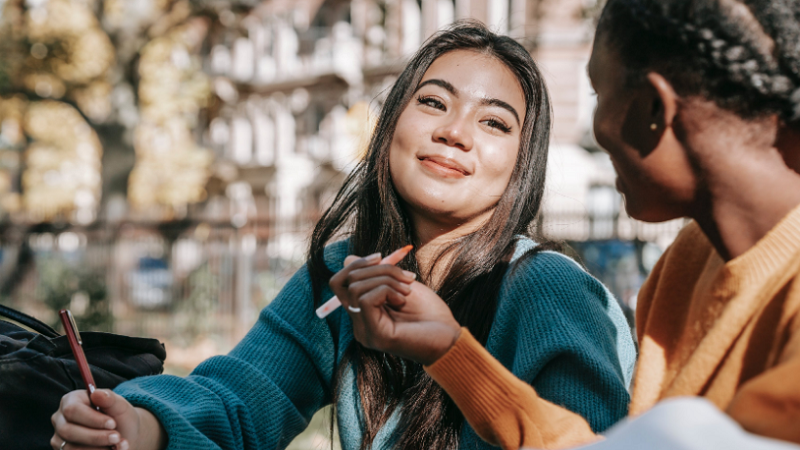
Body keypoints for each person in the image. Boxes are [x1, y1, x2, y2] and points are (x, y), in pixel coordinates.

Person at [49, 23, 636, 450]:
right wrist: (141, 427)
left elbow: (589, 442)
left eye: (493, 122)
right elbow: (240, 399)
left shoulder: (549, 290)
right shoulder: (343, 274)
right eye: (433, 102)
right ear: (391, 127)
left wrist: (454, 353)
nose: (455, 132)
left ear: (521, 164)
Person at [340, 1, 800, 449]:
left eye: (598, 94)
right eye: (433, 102)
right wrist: (450, 350)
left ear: (654, 110)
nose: (453, 134)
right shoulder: (690, 260)